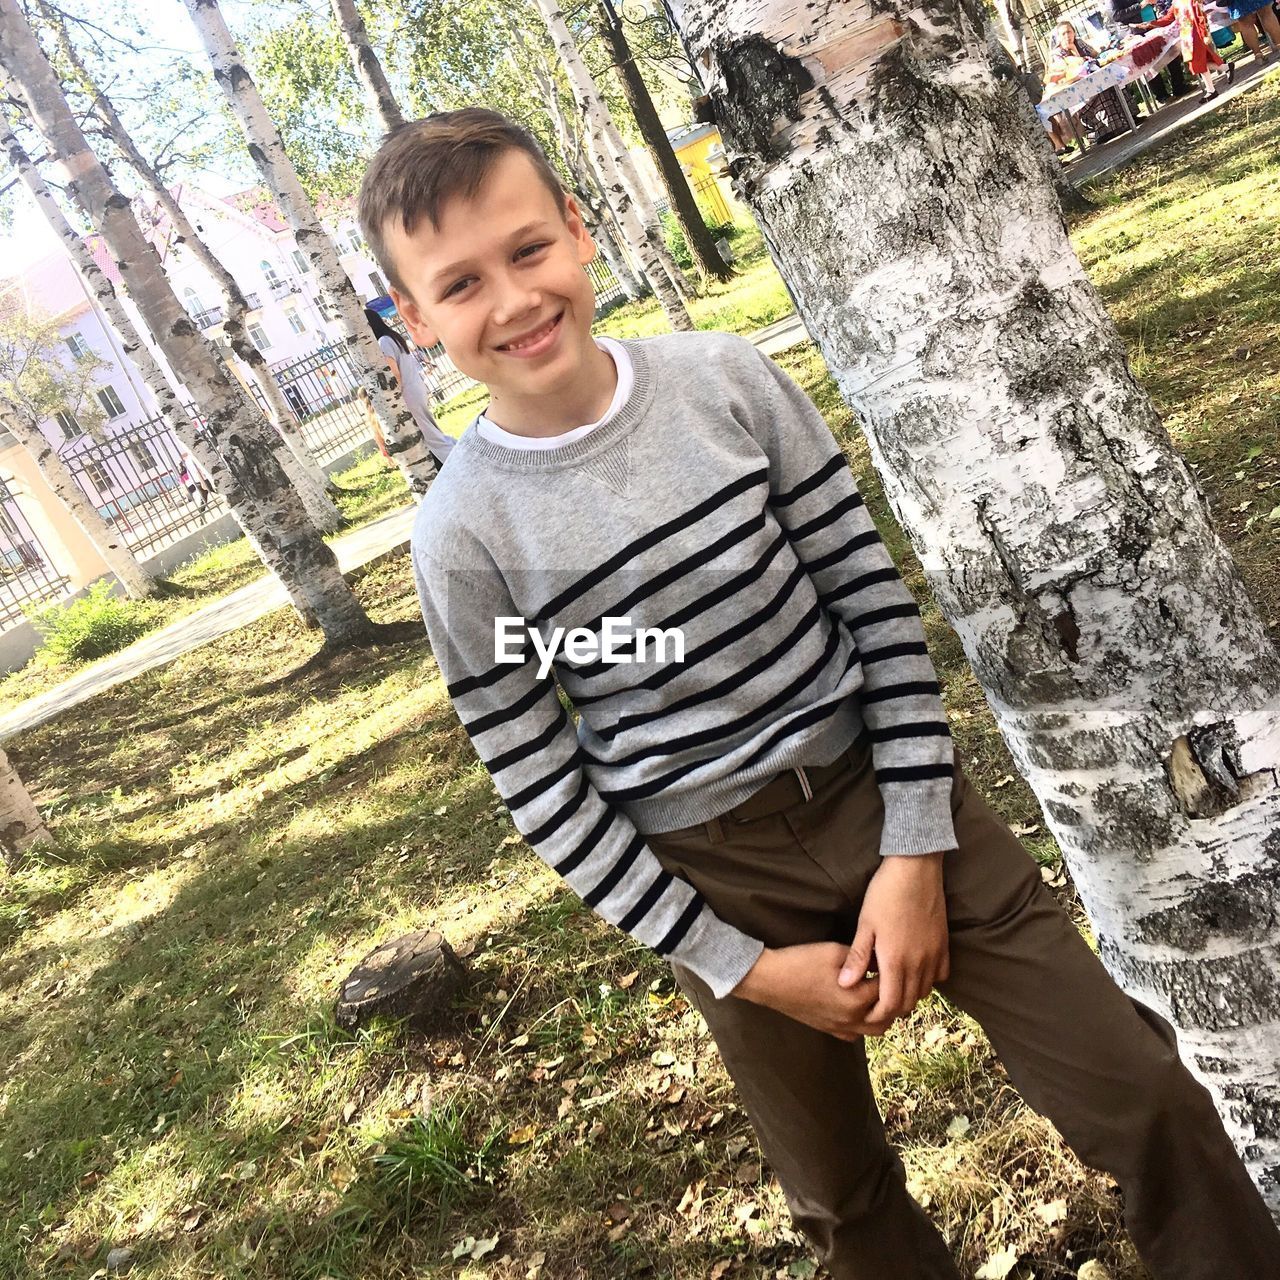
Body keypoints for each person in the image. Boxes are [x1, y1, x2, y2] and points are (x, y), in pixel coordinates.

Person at [355, 108, 1280, 1280]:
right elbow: (541, 784)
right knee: (842, 1207)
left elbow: (876, 613)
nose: (512, 299)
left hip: (885, 790)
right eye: (460, 283)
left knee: (1143, 1093)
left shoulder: (726, 385)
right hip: (715, 872)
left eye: (528, 248)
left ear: (579, 232)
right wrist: (738, 963)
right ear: (416, 320)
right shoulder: (461, 538)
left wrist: (908, 850)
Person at [362, 305, 456, 469]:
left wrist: (392, 400)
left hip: (408, 394)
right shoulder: (393, 337)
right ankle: (448, 456)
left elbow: (395, 374)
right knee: (430, 429)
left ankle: (454, 458)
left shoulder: (383, 342)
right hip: (416, 388)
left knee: (430, 435)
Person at [1134, 0, 1228, 99]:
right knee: (1197, 63)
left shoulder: (1192, 1)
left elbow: (1201, 17)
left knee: (1197, 62)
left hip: (1196, 35)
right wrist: (1150, 23)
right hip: (1186, 35)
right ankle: (1225, 68)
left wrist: (1205, 34)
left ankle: (1211, 90)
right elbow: (1168, 19)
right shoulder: (1176, 3)